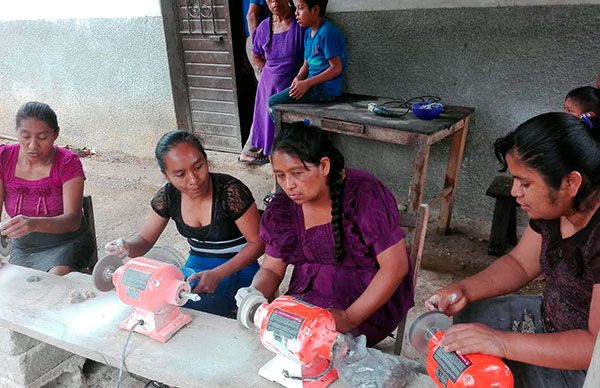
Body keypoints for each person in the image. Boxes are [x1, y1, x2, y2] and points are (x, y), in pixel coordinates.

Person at [425, 112, 600, 386]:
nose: (514, 192)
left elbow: (594, 346)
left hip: (586, 365)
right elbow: (520, 264)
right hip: (549, 319)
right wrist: (463, 289)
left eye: (525, 183)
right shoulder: (554, 208)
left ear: (570, 183)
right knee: (465, 320)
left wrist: (501, 342)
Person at [238, 122, 413, 346]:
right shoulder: (284, 210)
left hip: (365, 303)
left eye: (297, 173)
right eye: (280, 175)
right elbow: (272, 268)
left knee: (315, 344)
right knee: (289, 341)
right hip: (309, 295)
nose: (288, 185)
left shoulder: (363, 193)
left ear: (324, 166)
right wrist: (255, 294)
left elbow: (395, 267)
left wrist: (348, 318)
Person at [106, 130, 264, 317]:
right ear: (166, 176)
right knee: (165, 304)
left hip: (239, 266)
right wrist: (127, 247)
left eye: (198, 167)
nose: (193, 180)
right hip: (197, 265)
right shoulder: (168, 196)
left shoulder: (230, 192)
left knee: (198, 315)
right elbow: (145, 240)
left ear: (206, 160)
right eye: (180, 174)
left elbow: (258, 244)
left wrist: (217, 274)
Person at [0, 102, 93, 275]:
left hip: (67, 242)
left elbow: (73, 220)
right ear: (16, 133)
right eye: (25, 136)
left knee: (53, 281)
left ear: (55, 134)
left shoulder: (67, 163)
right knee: (16, 287)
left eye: (42, 137)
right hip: (23, 247)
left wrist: (34, 224)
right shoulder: (3, 158)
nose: (33, 145)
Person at [239, 0, 305, 165]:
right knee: (271, 138)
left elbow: (310, 57)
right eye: (269, 0)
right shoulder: (264, 27)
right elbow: (256, 54)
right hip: (268, 88)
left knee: (293, 139)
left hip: (293, 88)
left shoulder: (300, 25)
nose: (274, 2)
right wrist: (264, 69)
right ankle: (277, 180)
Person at [267, 0, 347, 115]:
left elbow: (336, 68)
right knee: (278, 103)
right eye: (295, 8)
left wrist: (307, 83)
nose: (296, 13)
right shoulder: (308, 33)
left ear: (315, 10)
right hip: (312, 87)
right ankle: (294, 133)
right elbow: (307, 62)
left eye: (300, 8)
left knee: (273, 102)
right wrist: (299, 77)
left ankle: (290, 134)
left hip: (324, 90)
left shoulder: (327, 32)